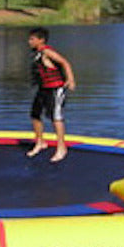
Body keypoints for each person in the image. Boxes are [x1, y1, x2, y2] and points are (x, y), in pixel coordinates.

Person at [27, 27, 77, 162]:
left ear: (41, 40)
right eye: (29, 38)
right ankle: (40, 142)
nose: (29, 41)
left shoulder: (47, 51)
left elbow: (65, 62)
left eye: (32, 39)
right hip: (43, 89)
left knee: (56, 117)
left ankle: (62, 148)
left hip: (56, 89)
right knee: (35, 115)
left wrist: (70, 79)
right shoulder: (36, 53)